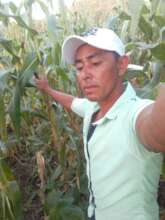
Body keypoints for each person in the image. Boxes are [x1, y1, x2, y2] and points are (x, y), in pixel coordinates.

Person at [35, 27, 165, 220]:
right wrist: (47, 89)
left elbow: (156, 129)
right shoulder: (92, 109)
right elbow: (72, 101)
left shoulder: (135, 115)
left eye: (95, 63)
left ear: (122, 65)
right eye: (79, 67)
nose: (85, 74)